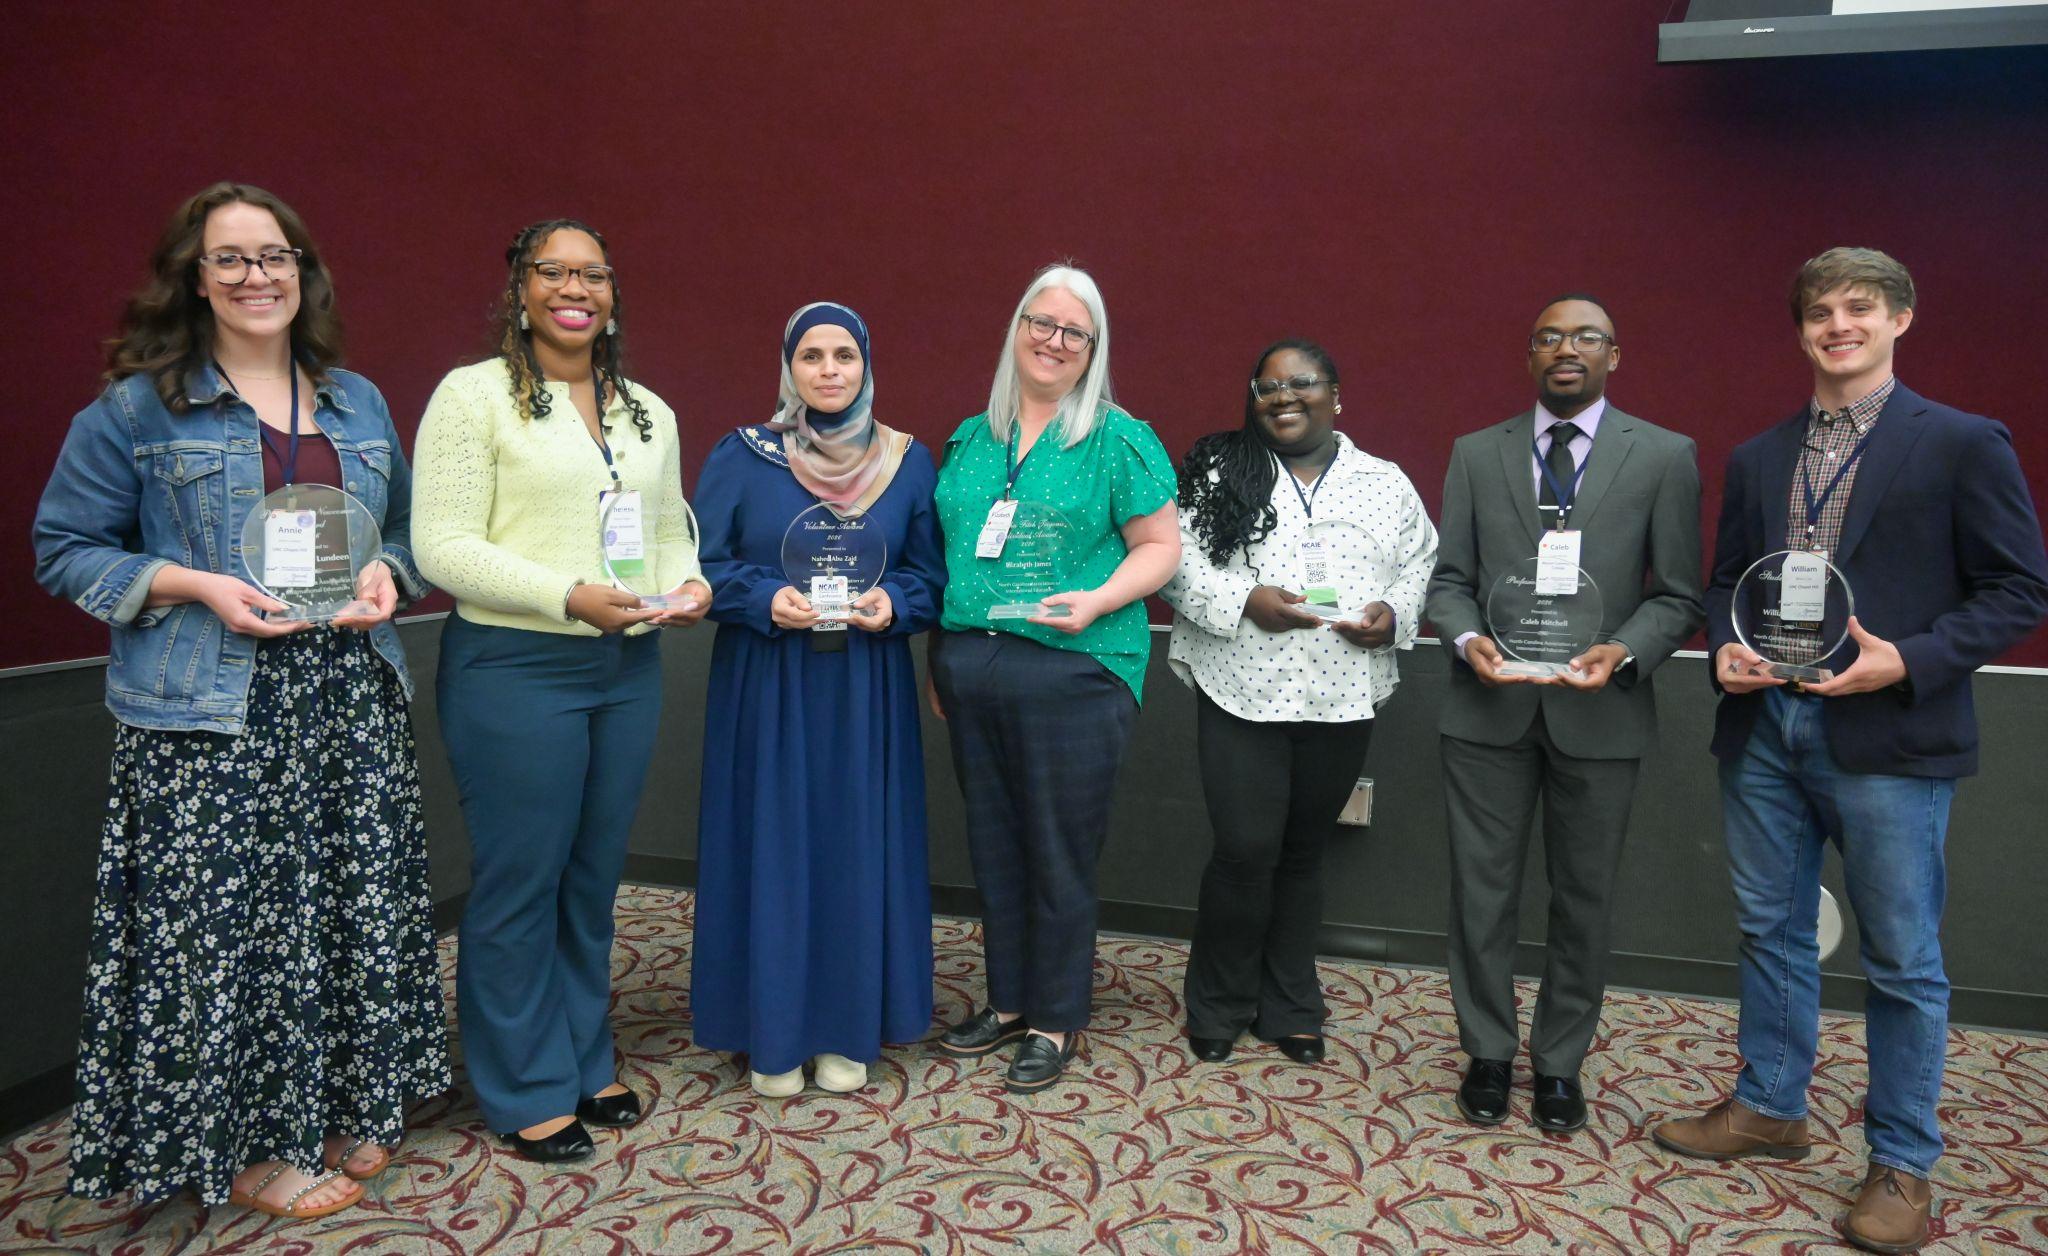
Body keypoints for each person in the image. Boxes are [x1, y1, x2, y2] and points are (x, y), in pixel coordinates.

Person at [31, 183, 449, 1218]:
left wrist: (386, 575)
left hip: (345, 695)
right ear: (194, 277)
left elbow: (391, 532)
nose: (258, 276)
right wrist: (197, 583)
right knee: (228, 935)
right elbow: (64, 548)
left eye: (276, 256)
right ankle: (252, 1146)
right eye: (231, 258)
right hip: (209, 707)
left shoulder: (355, 399)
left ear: (303, 272)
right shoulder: (137, 407)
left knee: (345, 911)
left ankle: (343, 1101)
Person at [1651, 248, 2048, 1254]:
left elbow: (2016, 589)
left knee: (1902, 956)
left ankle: (1901, 1160)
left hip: (1886, 729)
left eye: (1858, 307)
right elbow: (1724, 581)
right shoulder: (1757, 454)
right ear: (1799, 331)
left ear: (1898, 318)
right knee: (1767, 928)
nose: (1837, 324)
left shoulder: (1959, 442)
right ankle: (1769, 1105)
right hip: (1766, 727)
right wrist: (1724, 648)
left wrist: (1904, 660)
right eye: (1818, 311)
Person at [412, 218, 710, 1163]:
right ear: (521, 287)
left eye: (593, 274)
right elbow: (443, 548)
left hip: (625, 670)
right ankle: (522, 1083)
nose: (574, 289)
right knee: (520, 881)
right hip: (515, 669)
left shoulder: (648, 411)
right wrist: (566, 597)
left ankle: (583, 1053)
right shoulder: (474, 398)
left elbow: (666, 528)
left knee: (590, 879)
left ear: (613, 293)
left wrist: (689, 580)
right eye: (554, 272)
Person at [1424, 294, 1704, 1133]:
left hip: (1603, 712)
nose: (1566, 348)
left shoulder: (1664, 455)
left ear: (1614, 355)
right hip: (1488, 706)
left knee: (1584, 898)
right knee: (1481, 895)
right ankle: (1486, 1052)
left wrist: (1621, 649)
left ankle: (1558, 1065)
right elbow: (1448, 584)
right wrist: (1467, 637)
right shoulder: (1477, 454)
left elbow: (1681, 594)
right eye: (1548, 336)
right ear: (1530, 356)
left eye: (1585, 336)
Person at [927, 263, 1180, 1093]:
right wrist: (943, 656)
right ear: (1017, 327)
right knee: (995, 843)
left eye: (1074, 331)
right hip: (974, 664)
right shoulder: (972, 438)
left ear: (1093, 348)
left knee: (1058, 850)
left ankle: (1056, 1015)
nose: (1054, 341)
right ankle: (1007, 1002)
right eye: (1042, 321)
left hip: (1076, 668)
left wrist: (1101, 597)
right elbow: (952, 555)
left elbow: (1160, 548)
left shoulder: (1118, 437)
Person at [689, 302, 945, 1096]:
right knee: (774, 845)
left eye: (844, 355)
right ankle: (772, 1031)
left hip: (864, 685)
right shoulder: (743, 455)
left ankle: (843, 1028)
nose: (829, 370)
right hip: (768, 681)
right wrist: (763, 598)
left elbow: (929, 577)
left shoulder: (909, 462)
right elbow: (701, 563)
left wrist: (893, 606)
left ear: (866, 365)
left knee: (852, 845)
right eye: (812, 356)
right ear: (788, 367)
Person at [1162, 339, 1437, 1065]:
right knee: (1245, 850)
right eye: (1267, 387)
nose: (1283, 397)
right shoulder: (1221, 471)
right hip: (1241, 686)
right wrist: (1245, 597)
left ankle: (1289, 1004)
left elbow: (1419, 563)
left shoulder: (1385, 482)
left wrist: (1394, 614)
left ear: (1336, 394)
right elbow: (1173, 560)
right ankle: (1219, 1001)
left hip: (1342, 692)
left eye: (1301, 383)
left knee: (1303, 852)